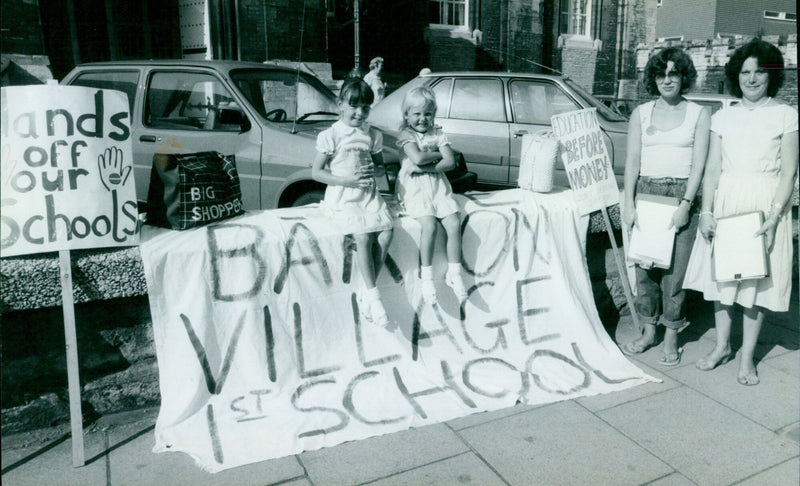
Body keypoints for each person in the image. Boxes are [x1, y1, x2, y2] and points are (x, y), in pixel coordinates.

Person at [683, 39, 798, 385]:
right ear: (736, 76)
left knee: (756, 285)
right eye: (745, 72)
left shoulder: (786, 115)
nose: (751, 79)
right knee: (724, 280)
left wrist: (775, 216)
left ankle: (746, 356)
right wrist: (706, 212)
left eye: (759, 72)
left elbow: (789, 172)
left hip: (764, 205)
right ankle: (721, 346)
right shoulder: (723, 117)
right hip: (728, 202)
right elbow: (713, 170)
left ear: (771, 75)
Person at [620, 47, 711, 366]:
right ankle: (648, 331)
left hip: (680, 196)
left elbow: (699, 165)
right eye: (661, 73)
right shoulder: (640, 114)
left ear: (683, 76)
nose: (667, 79)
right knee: (645, 271)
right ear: (653, 78)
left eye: (673, 73)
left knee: (674, 275)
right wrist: (628, 204)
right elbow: (631, 162)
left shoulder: (699, 113)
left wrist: (687, 203)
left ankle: (672, 335)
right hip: (646, 194)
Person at [311, 78, 394, 327]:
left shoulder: (372, 134)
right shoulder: (332, 134)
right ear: (340, 105)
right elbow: (316, 172)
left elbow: (381, 169)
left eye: (365, 107)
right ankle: (375, 296)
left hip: (367, 195)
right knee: (363, 236)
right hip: (344, 195)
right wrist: (345, 180)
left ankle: (365, 291)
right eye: (354, 106)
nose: (360, 112)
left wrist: (379, 172)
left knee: (386, 233)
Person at [395, 86, 467, 304]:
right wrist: (436, 155)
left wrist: (429, 164)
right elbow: (416, 158)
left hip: (437, 186)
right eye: (417, 114)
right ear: (407, 115)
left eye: (428, 114)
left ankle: (454, 273)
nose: (422, 119)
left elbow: (451, 162)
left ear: (433, 115)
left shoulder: (438, 134)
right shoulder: (406, 135)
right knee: (429, 225)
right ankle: (426, 277)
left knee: (453, 223)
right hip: (415, 188)